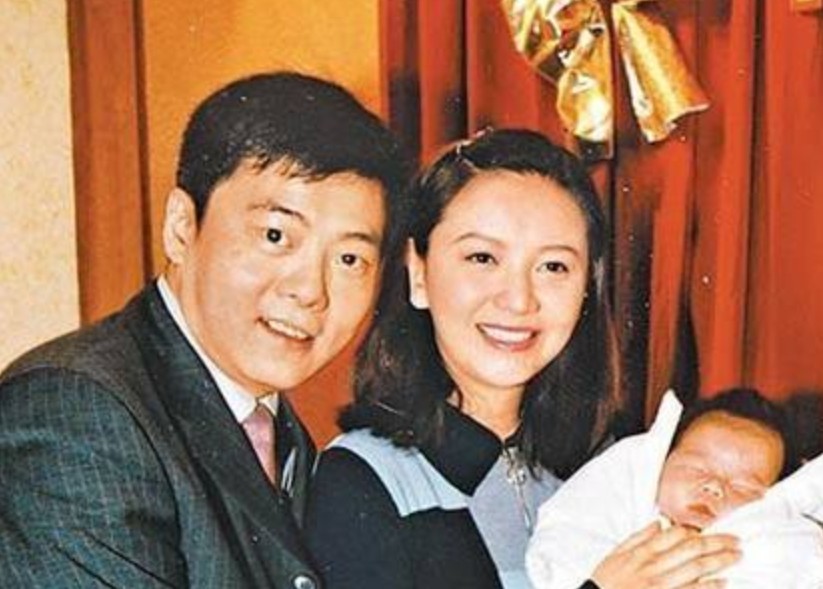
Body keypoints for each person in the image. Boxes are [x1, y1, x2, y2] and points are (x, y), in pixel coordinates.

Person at [0, 72, 409, 588]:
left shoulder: (281, 433)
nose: (310, 290)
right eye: (276, 235)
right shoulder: (75, 411)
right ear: (181, 226)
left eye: (349, 259)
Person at [304, 129, 739, 589]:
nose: (518, 300)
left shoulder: (614, 471)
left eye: (553, 266)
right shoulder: (362, 479)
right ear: (418, 274)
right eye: (482, 258)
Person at [527, 388, 823, 589]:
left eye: (743, 486)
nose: (714, 487)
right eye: (696, 469)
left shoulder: (775, 548)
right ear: (656, 467)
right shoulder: (610, 524)